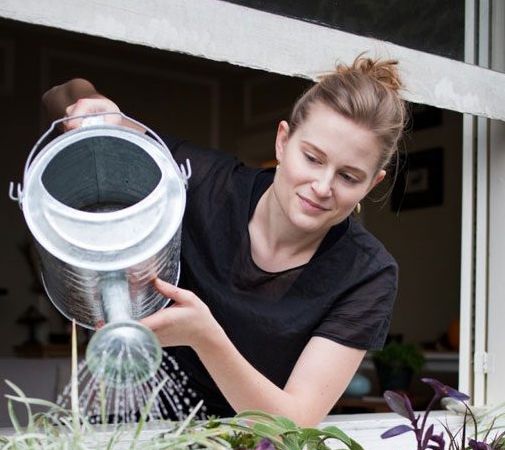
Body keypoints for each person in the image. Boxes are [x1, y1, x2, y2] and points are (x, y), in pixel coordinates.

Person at [42, 55, 407, 426]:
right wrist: (98, 110)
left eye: (348, 177)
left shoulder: (366, 274)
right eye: (312, 158)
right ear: (283, 141)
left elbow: (294, 426)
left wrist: (204, 337)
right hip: (142, 429)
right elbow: (65, 94)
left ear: (372, 183)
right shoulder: (200, 184)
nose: (322, 187)